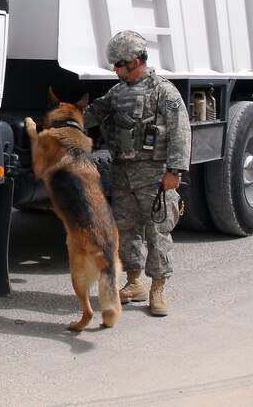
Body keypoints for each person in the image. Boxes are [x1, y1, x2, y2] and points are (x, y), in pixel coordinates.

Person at [83, 30, 191, 316]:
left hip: (154, 175)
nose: (115, 70)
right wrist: (65, 121)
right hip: (123, 173)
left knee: (157, 231)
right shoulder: (117, 93)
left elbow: (181, 132)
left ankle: (158, 288)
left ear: (134, 61)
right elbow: (92, 113)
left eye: (119, 64)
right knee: (127, 230)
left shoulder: (163, 91)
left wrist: (175, 170)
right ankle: (134, 282)